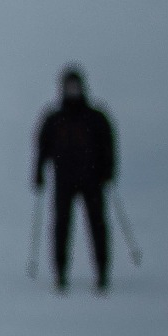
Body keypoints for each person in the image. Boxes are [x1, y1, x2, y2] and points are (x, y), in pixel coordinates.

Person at [35, 66, 117, 292]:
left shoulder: (95, 118)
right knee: (61, 226)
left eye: (75, 86)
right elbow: (42, 147)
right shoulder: (54, 119)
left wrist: (108, 171)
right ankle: (60, 273)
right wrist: (39, 172)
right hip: (64, 181)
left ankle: (102, 272)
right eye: (68, 86)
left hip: (92, 180)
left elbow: (108, 145)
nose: (72, 90)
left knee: (97, 226)